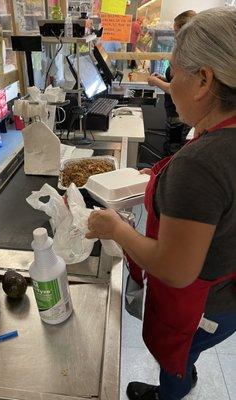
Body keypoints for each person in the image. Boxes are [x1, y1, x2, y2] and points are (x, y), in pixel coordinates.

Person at [87, 7, 236, 400]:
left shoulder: (201, 164)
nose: (170, 84)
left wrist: (116, 228)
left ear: (204, 79)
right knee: (189, 353)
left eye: (174, 72)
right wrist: (158, 181)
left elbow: (175, 268)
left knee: (179, 355)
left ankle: (171, 392)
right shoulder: (219, 139)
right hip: (227, 297)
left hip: (204, 305)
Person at [148, 10, 196, 155]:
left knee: (173, 153)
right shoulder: (183, 51)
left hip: (180, 117)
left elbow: (178, 88)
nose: (174, 35)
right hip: (173, 112)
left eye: (176, 31)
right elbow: (176, 81)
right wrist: (163, 78)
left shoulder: (189, 55)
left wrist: (155, 82)